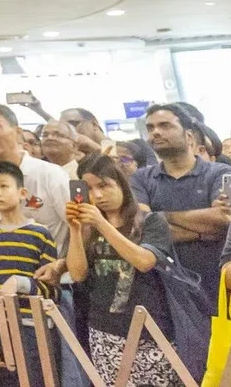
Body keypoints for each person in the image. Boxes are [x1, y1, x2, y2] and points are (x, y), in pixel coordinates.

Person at [66, 153, 177, 387]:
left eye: (104, 185)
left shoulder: (151, 221)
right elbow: (77, 274)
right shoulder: (88, 228)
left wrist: (101, 224)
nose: (97, 195)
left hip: (150, 330)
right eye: (89, 188)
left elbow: (145, 262)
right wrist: (76, 230)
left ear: (122, 185)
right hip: (103, 328)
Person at [132, 102, 231, 311]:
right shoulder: (140, 178)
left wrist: (158, 217)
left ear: (189, 136)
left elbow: (225, 221)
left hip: (218, 280)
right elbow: (140, 227)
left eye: (165, 125)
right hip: (164, 287)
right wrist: (202, 233)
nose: (156, 133)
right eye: (150, 128)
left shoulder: (222, 173)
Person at [0, 161, 61, 386]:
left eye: (3, 186)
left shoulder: (40, 234)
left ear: (22, 193)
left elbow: (50, 287)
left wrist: (20, 284)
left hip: (34, 327)